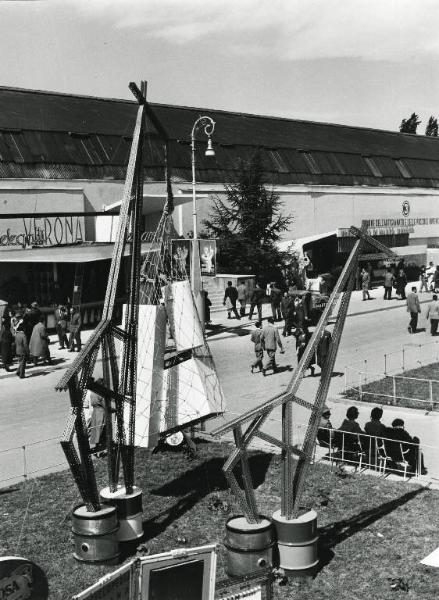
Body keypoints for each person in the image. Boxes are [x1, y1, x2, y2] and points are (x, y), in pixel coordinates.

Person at [89, 379, 107, 454]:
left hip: (95, 412)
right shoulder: (100, 394)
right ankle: (103, 449)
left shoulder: (92, 393)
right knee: (103, 430)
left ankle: (97, 449)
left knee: (96, 431)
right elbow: (105, 405)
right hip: (101, 412)